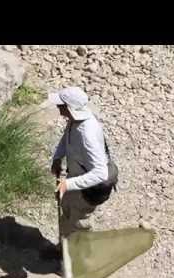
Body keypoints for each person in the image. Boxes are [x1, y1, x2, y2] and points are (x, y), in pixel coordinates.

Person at [41, 86, 118, 261]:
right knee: (67, 211)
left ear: (70, 107)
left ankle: (77, 263)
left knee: (78, 224)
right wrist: (58, 158)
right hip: (76, 180)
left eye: (61, 105)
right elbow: (66, 136)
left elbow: (100, 173)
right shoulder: (75, 120)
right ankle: (63, 250)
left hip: (88, 189)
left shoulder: (87, 133)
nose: (58, 108)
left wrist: (67, 184)